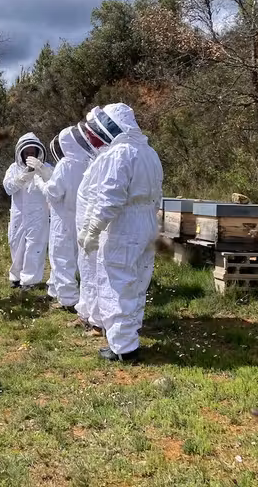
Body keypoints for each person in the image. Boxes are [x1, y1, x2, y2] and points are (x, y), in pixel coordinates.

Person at [78, 103, 163, 362]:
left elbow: (109, 198)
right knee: (138, 282)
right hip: (148, 222)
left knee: (117, 282)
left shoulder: (119, 154)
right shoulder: (149, 152)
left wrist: (93, 230)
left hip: (125, 225)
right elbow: (157, 194)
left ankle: (123, 348)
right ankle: (130, 336)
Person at [35, 125, 94, 310]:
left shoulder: (66, 164)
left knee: (61, 258)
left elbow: (54, 193)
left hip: (63, 219)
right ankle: (55, 290)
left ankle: (68, 299)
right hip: (83, 217)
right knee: (75, 258)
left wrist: (40, 181)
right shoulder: (90, 162)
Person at [74, 112, 111, 337]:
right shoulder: (96, 160)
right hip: (88, 226)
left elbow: (100, 198)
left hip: (97, 229)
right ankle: (88, 314)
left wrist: (91, 229)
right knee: (87, 271)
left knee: (98, 274)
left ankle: (98, 321)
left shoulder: (108, 159)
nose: (89, 139)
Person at [3, 133, 52, 292]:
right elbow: (8, 188)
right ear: (21, 153)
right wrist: (24, 176)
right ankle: (16, 277)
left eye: (32, 152)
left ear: (38, 152)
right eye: (27, 153)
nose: (30, 155)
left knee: (34, 247)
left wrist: (41, 169)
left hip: (38, 214)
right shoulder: (13, 169)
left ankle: (30, 280)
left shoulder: (46, 167)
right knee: (16, 245)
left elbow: (55, 183)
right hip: (18, 214)